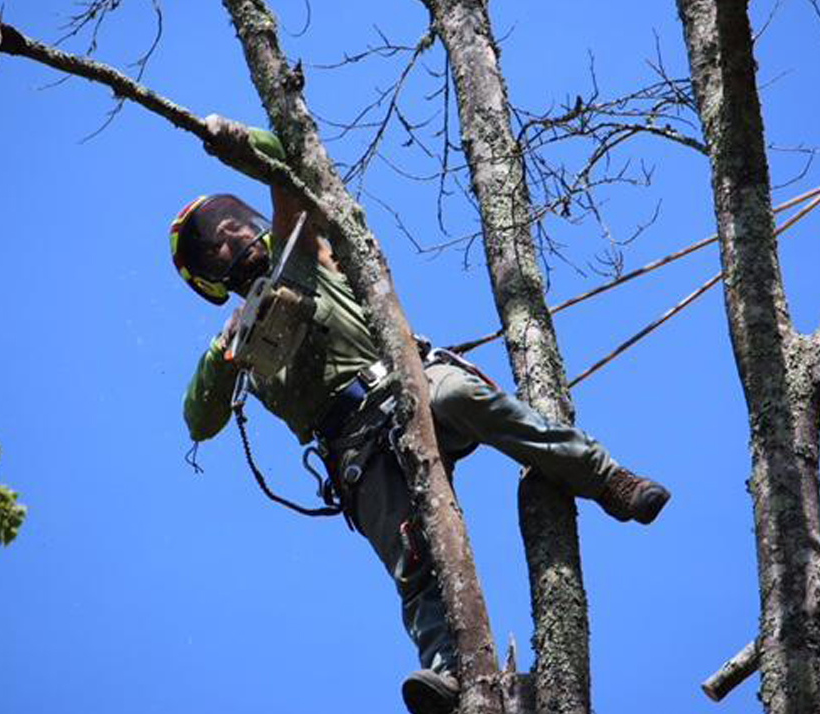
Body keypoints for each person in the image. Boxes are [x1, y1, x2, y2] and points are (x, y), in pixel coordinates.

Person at [170, 123, 671, 714]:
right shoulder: (241, 353)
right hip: (357, 450)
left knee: (458, 398)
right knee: (414, 557)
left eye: (234, 225)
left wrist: (235, 139)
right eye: (216, 245)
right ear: (208, 275)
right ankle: (452, 673)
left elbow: (284, 157)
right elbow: (198, 420)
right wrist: (224, 351)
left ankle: (603, 476)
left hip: (408, 385)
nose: (231, 238)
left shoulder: (299, 253)